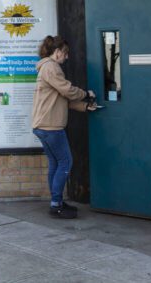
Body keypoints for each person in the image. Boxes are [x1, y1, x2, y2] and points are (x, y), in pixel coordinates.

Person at [31, 35, 96, 219]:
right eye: (65, 53)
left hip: (43, 125)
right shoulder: (51, 67)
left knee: (55, 163)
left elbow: (62, 100)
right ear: (57, 52)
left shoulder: (46, 68)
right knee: (66, 162)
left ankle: (56, 202)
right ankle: (56, 205)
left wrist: (85, 106)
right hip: (50, 126)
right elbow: (67, 90)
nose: (67, 57)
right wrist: (86, 93)